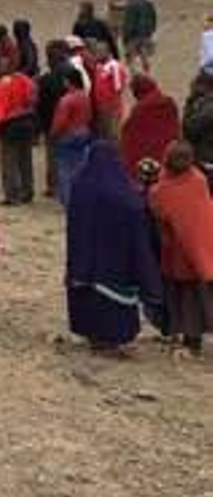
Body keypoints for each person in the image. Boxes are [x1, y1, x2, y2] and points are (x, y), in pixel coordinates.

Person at [65, 142, 164, 353]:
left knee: (91, 300)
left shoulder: (81, 184)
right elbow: (137, 211)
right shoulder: (123, 191)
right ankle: (111, 341)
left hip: (86, 260)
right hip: (116, 262)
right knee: (113, 303)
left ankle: (95, 338)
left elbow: (75, 221)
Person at [149, 142, 213, 354]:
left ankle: (191, 340)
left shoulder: (161, 190)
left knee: (188, 298)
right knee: (201, 295)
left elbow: (159, 214)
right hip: (206, 247)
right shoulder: (199, 180)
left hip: (181, 254)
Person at [0, 67, 39, 205]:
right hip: (28, 121)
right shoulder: (24, 79)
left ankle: (12, 196)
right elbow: (33, 99)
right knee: (25, 158)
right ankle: (28, 191)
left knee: (8, 161)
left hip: (10, 124)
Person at [121, 75, 180, 183]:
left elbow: (129, 138)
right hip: (169, 157)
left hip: (148, 164)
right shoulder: (169, 103)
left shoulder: (139, 110)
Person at [51, 68, 95, 206]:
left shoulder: (66, 100)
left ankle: (68, 201)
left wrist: (53, 134)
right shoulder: (84, 96)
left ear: (69, 82)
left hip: (69, 135)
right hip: (84, 132)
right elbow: (90, 116)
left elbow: (60, 122)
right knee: (80, 167)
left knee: (65, 169)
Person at [36, 41, 72, 199]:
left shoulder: (45, 80)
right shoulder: (72, 73)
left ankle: (54, 186)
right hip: (70, 122)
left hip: (51, 121)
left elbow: (40, 104)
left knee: (52, 156)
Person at [91, 41, 127, 142]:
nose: (96, 54)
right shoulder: (98, 66)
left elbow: (118, 88)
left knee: (112, 136)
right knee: (103, 136)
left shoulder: (114, 66)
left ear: (107, 52)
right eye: (96, 52)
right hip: (100, 108)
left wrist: (113, 109)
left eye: (99, 52)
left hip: (112, 109)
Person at [121, 0, 157, 74]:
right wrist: (151, 32)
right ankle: (147, 74)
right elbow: (154, 19)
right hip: (146, 34)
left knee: (130, 58)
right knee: (144, 56)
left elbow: (128, 22)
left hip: (133, 36)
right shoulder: (148, 4)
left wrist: (125, 36)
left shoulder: (130, 5)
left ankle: (134, 76)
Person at [184, 72, 213, 175]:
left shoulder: (209, 107)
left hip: (206, 160)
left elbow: (189, 129)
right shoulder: (204, 104)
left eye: (194, 85)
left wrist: (190, 101)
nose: (191, 88)